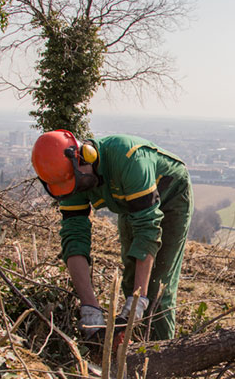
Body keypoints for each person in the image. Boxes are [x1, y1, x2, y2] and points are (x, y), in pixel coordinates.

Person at [31, 129, 192, 343]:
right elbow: (74, 240)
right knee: (130, 279)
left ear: (85, 155)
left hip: (171, 195)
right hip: (129, 201)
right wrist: (89, 307)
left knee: (155, 286)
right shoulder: (69, 179)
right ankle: (129, 345)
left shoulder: (130, 159)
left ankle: (159, 354)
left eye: (78, 182)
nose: (77, 189)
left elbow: (147, 231)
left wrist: (139, 300)